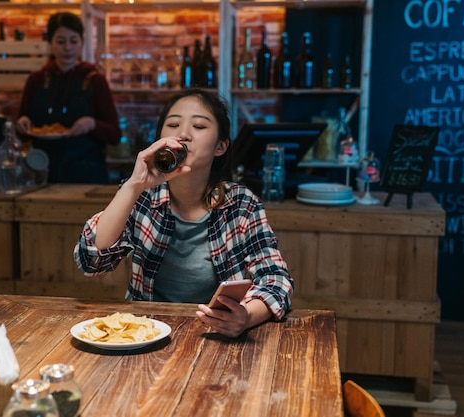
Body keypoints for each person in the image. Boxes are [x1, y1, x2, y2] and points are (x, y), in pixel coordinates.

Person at [73, 89, 294, 338]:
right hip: (147, 333)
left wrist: (244, 317)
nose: (183, 134)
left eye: (199, 126)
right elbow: (92, 260)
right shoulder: (142, 196)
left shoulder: (241, 203)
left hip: (217, 336)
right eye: (173, 124)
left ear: (220, 146)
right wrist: (133, 185)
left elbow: (276, 280)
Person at [15, 12, 121, 184]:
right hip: (43, 173)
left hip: (87, 173)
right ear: (50, 43)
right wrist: (23, 123)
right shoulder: (36, 80)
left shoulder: (95, 80)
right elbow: (22, 133)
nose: (68, 48)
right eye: (61, 41)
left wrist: (92, 124)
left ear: (82, 43)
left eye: (74, 41)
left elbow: (115, 135)